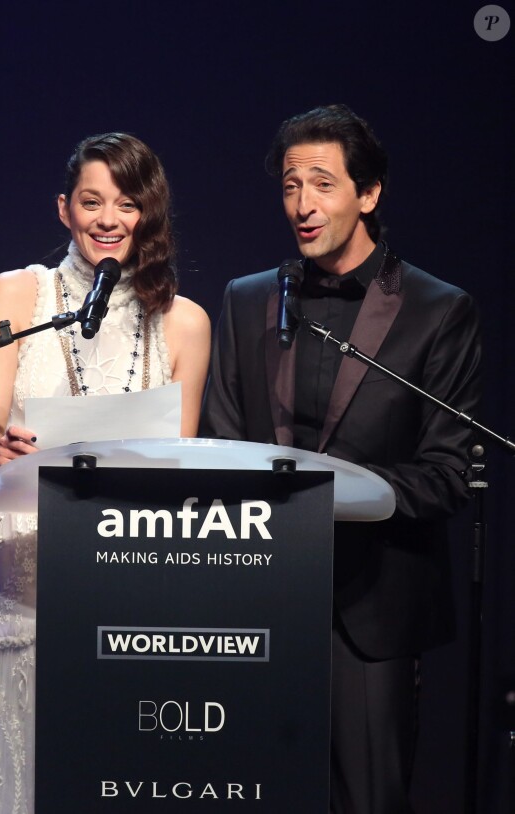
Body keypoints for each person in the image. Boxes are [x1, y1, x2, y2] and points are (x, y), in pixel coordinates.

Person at [200, 104, 482, 813]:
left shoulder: (437, 310)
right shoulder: (248, 300)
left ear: (369, 192)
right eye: (291, 185)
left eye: (322, 183)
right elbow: (224, 442)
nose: (302, 204)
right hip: (259, 597)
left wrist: (327, 494)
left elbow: (447, 473)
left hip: (372, 607)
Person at [0, 132, 211, 814]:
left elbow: (179, 456)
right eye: (91, 201)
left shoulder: (183, 322)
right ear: (65, 209)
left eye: (126, 203)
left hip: (130, 564)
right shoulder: (18, 291)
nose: (108, 219)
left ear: (149, 214)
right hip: (24, 563)